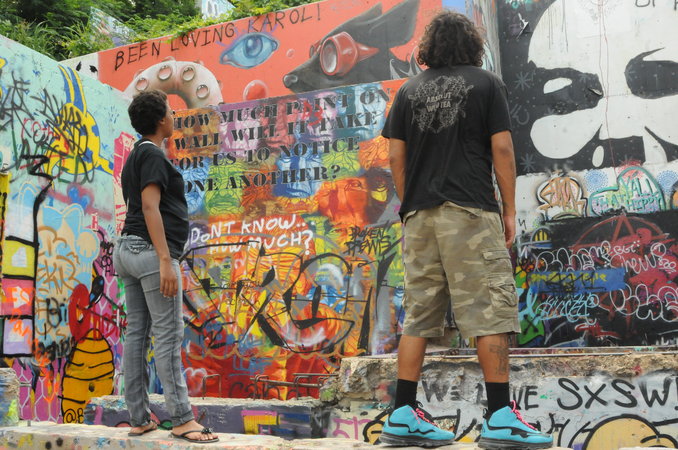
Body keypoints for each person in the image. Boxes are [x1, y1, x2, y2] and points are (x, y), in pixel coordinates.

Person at [378, 11, 553, 449]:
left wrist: (411, 206)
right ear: (472, 45)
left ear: (429, 47)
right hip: (470, 211)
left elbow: (395, 157)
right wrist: (509, 209)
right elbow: (502, 148)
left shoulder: (407, 92)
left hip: (419, 218)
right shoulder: (486, 83)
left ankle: (402, 414)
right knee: (490, 310)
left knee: (419, 315)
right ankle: (500, 418)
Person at [113, 90, 218, 444]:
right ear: (161, 120)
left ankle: (139, 418)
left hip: (127, 249)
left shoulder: (134, 155)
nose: (174, 117)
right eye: (171, 112)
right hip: (149, 252)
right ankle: (183, 419)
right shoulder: (154, 155)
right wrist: (164, 260)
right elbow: (149, 206)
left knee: (137, 336)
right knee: (169, 337)